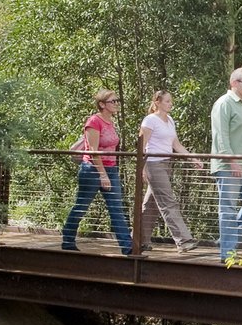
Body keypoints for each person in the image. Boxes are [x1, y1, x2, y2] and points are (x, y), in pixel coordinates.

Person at [61, 88, 132, 253]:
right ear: (102, 104)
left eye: (117, 101)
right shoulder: (94, 121)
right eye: (112, 101)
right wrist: (102, 174)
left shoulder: (111, 122)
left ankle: (128, 247)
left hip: (111, 169)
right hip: (92, 170)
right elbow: (93, 151)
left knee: (116, 208)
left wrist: (108, 172)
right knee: (81, 206)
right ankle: (68, 239)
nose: (116, 104)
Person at [208, 66, 242, 259]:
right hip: (228, 165)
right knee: (228, 208)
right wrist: (231, 160)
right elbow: (221, 136)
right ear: (234, 83)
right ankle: (227, 253)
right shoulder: (224, 103)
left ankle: (227, 240)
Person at [136, 89, 197, 254]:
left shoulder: (170, 120)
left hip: (166, 164)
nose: (171, 104)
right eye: (167, 101)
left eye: (171, 101)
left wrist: (192, 158)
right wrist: (141, 168)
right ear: (157, 102)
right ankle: (183, 241)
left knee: (151, 205)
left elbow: (176, 145)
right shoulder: (150, 120)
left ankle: (138, 240)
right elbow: (141, 146)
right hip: (153, 164)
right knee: (168, 202)